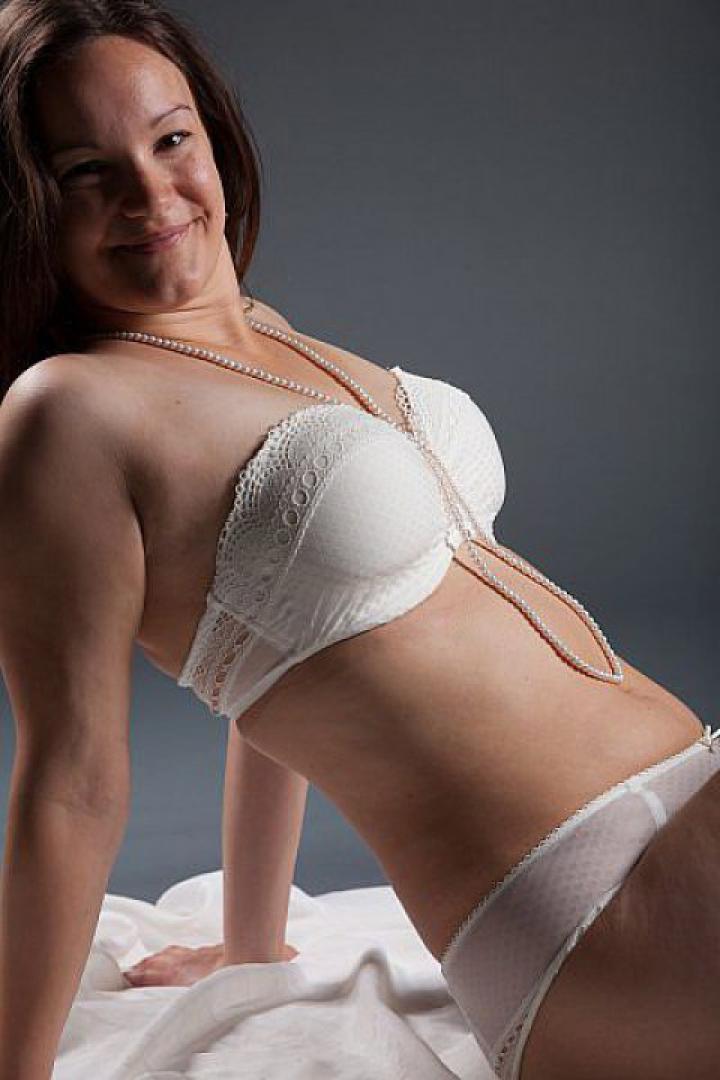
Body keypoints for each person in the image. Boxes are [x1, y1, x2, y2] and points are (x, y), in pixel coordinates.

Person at [0, 2, 718, 1079]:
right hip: (588, 909)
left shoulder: (268, 339)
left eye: (170, 139)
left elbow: (278, 640)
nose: (152, 195)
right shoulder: (68, 411)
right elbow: (72, 779)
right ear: (24, 203)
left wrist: (251, 945)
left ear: (214, 136)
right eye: (85, 172)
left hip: (687, 799)